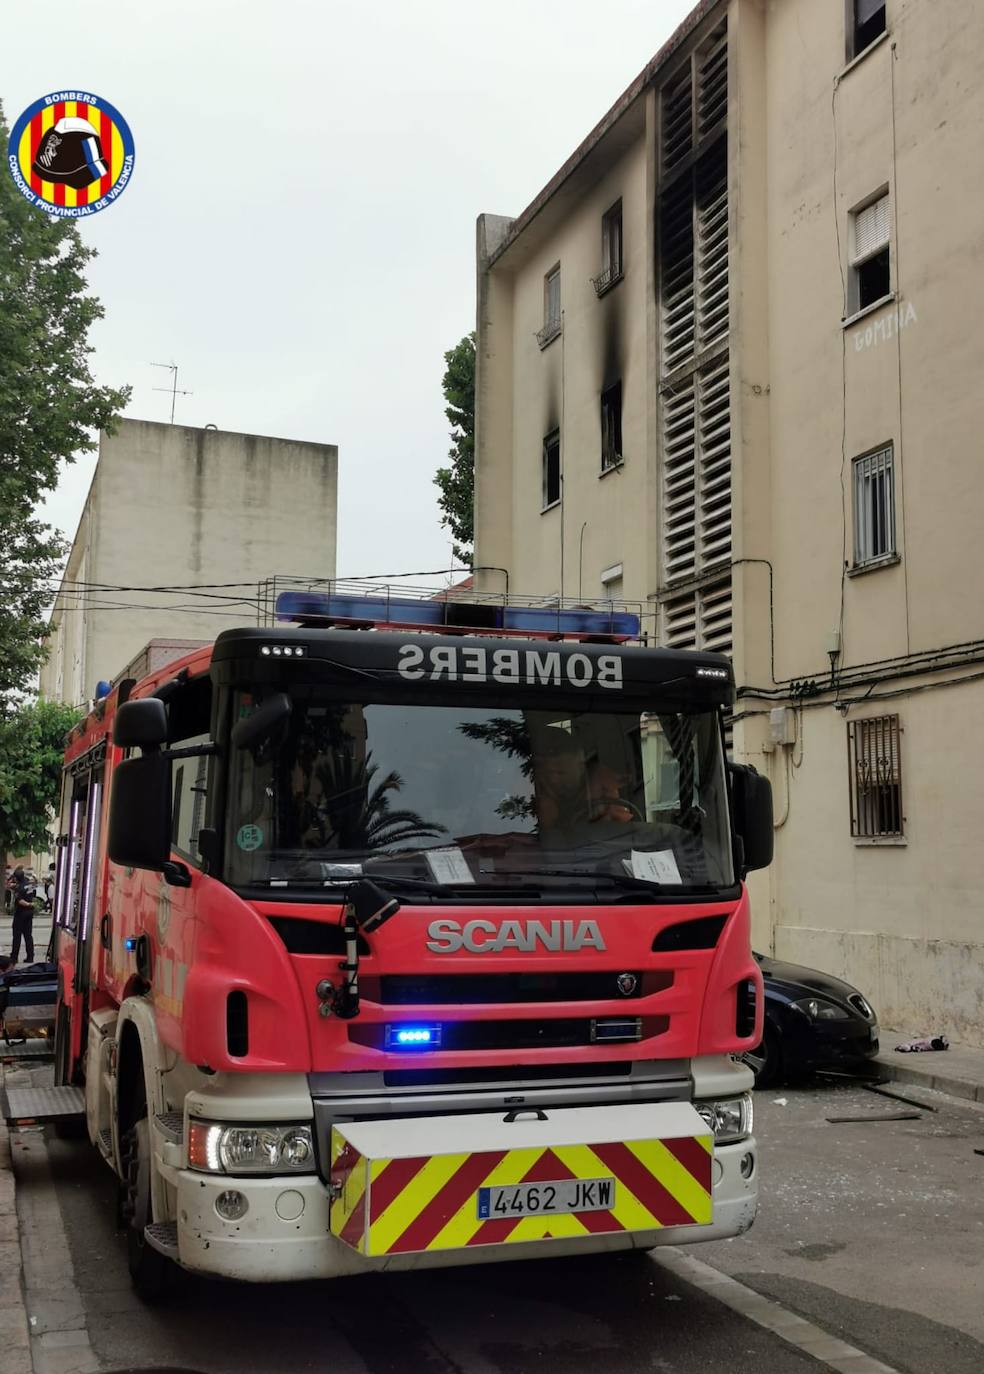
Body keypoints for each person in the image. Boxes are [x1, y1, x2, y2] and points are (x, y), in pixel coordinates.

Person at [10, 866, 37, 966]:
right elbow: (33, 895)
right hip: (29, 913)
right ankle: (30, 956)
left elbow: (20, 901)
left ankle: (14, 957)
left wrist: (29, 904)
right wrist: (32, 905)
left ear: (16, 878)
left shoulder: (19, 887)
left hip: (21, 913)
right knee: (28, 935)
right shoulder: (29, 885)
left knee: (17, 936)